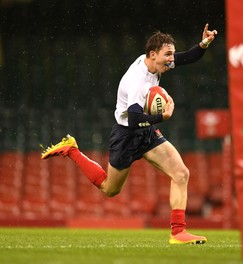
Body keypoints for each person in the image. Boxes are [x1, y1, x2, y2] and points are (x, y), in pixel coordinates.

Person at [41, 24, 218, 244]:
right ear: (153, 54)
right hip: (126, 134)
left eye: (172, 54)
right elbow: (134, 120)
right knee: (109, 189)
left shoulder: (152, 62)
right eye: (168, 55)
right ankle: (71, 149)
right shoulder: (138, 81)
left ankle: (178, 232)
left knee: (181, 173)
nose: (172, 59)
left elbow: (188, 57)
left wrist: (205, 43)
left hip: (146, 132)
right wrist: (162, 118)